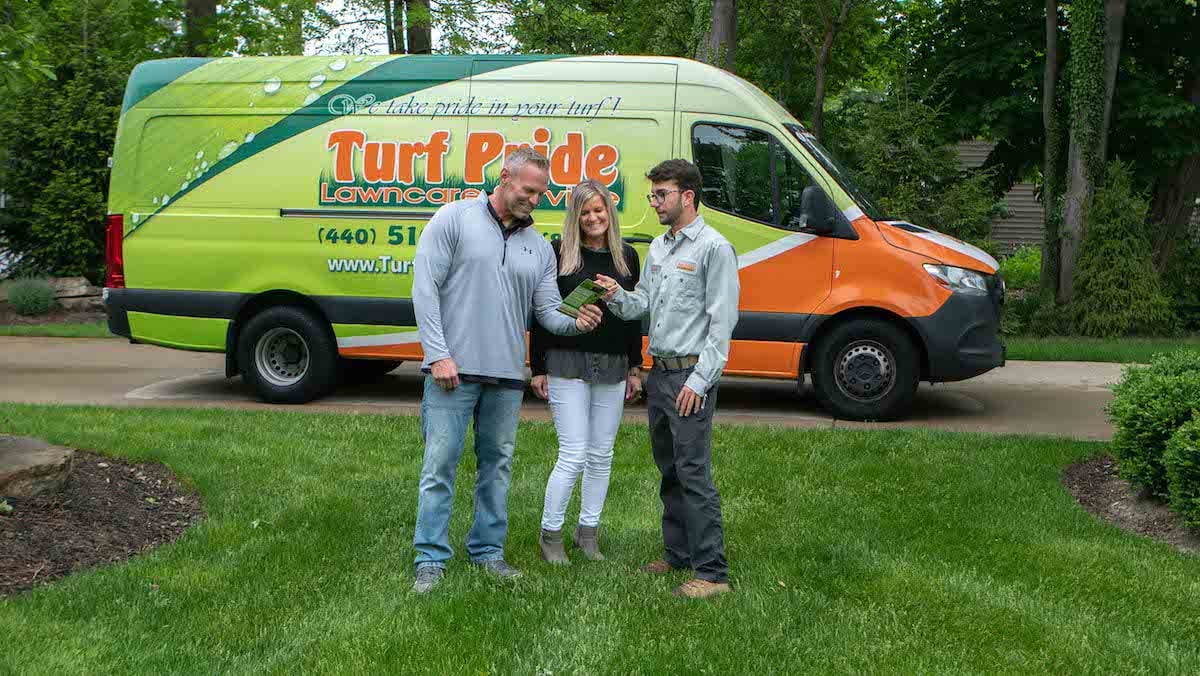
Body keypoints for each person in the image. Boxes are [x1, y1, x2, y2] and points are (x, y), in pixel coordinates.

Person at [410, 148, 603, 594]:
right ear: (504, 177)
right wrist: (438, 354)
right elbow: (425, 289)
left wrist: (576, 321)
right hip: (451, 373)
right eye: (529, 190)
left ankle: (488, 552)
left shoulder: (538, 246)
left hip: (506, 378)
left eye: (541, 193)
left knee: (496, 468)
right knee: (440, 467)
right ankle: (430, 560)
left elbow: (546, 312)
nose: (535, 199)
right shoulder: (453, 219)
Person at [594, 159, 739, 599]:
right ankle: (677, 554)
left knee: (694, 472)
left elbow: (722, 323)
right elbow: (645, 305)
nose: (655, 202)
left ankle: (712, 573)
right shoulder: (660, 248)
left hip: (691, 377)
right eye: (653, 194)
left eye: (662, 194)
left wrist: (699, 382)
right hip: (660, 375)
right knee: (670, 470)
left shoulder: (714, 249)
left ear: (687, 197)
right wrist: (617, 296)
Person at [529, 179, 643, 565]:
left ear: (609, 213)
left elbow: (632, 320)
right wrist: (537, 367)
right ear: (574, 216)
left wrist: (635, 367)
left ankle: (588, 532)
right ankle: (551, 534)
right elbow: (541, 314)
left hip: (612, 364)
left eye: (599, 210)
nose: (593, 218)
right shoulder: (558, 254)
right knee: (573, 453)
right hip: (566, 362)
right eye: (585, 211)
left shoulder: (626, 256)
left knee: (601, 454)